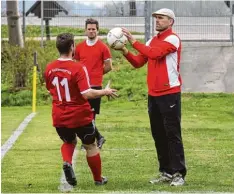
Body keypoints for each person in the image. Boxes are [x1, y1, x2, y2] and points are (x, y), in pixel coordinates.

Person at [115, 8, 186, 186]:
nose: (157, 21)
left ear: (171, 21)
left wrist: (133, 41)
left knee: (172, 135)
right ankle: (166, 172)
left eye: (161, 18)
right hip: (153, 95)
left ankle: (179, 174)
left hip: (169, 93)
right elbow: (139, 62)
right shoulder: (152, 40)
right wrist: (124, 49)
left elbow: (154, 54)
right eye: (156, 18)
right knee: (159, 135)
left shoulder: (173, 38)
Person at [44, 33, 117, 186]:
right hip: (79, 114)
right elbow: (87, 93)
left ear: (58, 48)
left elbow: (50, 89)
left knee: (69, 141)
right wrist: (105, 91)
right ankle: (98, 179)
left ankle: (67, 162)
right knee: (90, 145)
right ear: (72, 47)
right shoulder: (78, 67)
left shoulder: (49, 68)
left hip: (59, 115)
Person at [74, 18, 112, 149]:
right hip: (82, 86)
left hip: (95, 85)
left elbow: (108, 66)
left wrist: (96, 74)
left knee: (91, 115)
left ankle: (90, 141)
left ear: (97, 30)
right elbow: (76, 65)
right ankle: (98, 137)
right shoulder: (78, 47)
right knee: (81, 114)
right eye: (89, 29)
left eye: (93, 29)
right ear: (85, 30)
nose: (91, 31)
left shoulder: (103, 47)